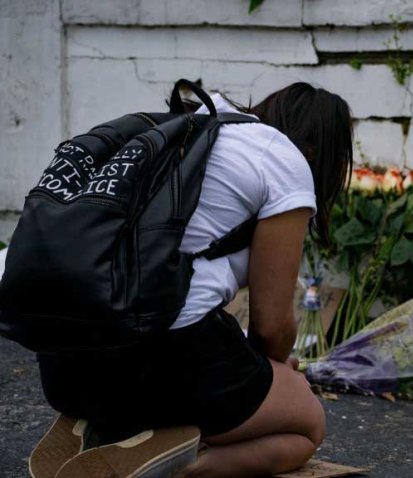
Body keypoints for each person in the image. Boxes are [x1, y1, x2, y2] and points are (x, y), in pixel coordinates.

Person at [30, 83, 353, 477]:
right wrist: (276, 375)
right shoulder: (282, 159)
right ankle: (178, 462)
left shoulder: (186, 127)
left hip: (63, 363)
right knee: (306, 425)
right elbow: (272, 326)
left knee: (220, 372)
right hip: (161, 355)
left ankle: (103, 423)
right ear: (319, 151)